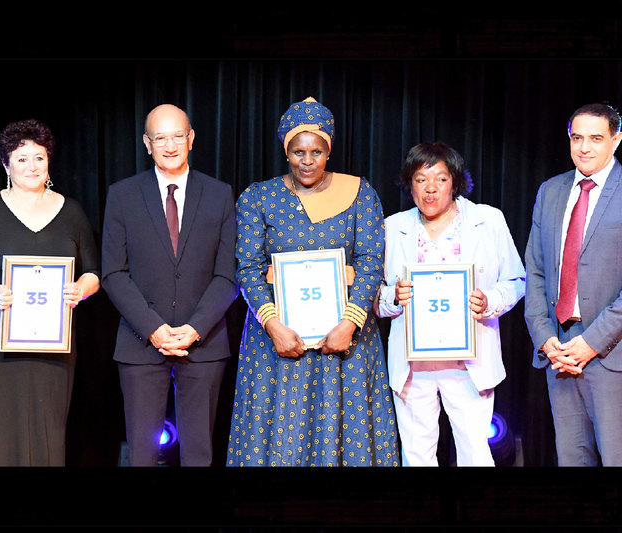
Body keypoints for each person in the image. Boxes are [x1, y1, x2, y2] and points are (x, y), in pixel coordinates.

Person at [227, 97, 398, 466]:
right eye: (298, 151)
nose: (308, 161)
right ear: (286, 150)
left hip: (344, 339)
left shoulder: (360, 194)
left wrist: (349, 325)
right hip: (277, 338)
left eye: (316, 151)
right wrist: (273, 326)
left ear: (328, 151)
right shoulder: (259, 197)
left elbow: (371, 263)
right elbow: (247, 267)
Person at [0, 119, 100, 466]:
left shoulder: (72, 211)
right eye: (21, 159)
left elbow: (94, 272)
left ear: (49, 161)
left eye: (39, 157)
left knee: (47, 428)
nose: (31, 166)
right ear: (6, 164)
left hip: (54, 343)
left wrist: (81, 289)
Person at [102, 103, 238, 466]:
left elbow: (228, 274)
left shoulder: (220, 194)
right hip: (140, 342)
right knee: (142, 454)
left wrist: (195, 327)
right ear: (147, 144)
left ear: (191, 138)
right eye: (160, 138)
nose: (170, 145)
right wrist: (154, 329)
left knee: (199, 453)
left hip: (204, 342)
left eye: (178, 136)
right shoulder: (122, 195)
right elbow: (113, 273)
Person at [375, 142, 525, 466]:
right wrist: (392, 298)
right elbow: (375, 294)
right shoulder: (392, 227)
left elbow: (516, 280)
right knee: (416, 455)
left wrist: (490, 302)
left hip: (469, 363)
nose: (431, 189)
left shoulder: (488, 220)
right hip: (414, 365)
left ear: (455, 182)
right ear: (409, 184)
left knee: (475, 453)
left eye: (440, 179)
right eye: (420, 179)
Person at [524, 103, 622, 466]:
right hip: (559, 352)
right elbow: (534, 270)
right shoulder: (551, 191)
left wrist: (592, 343)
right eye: (577, 137)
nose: (584, 147)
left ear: (617, 139)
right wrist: (545, 337)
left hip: (611, 353)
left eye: (596, 138)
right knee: (571, 460)